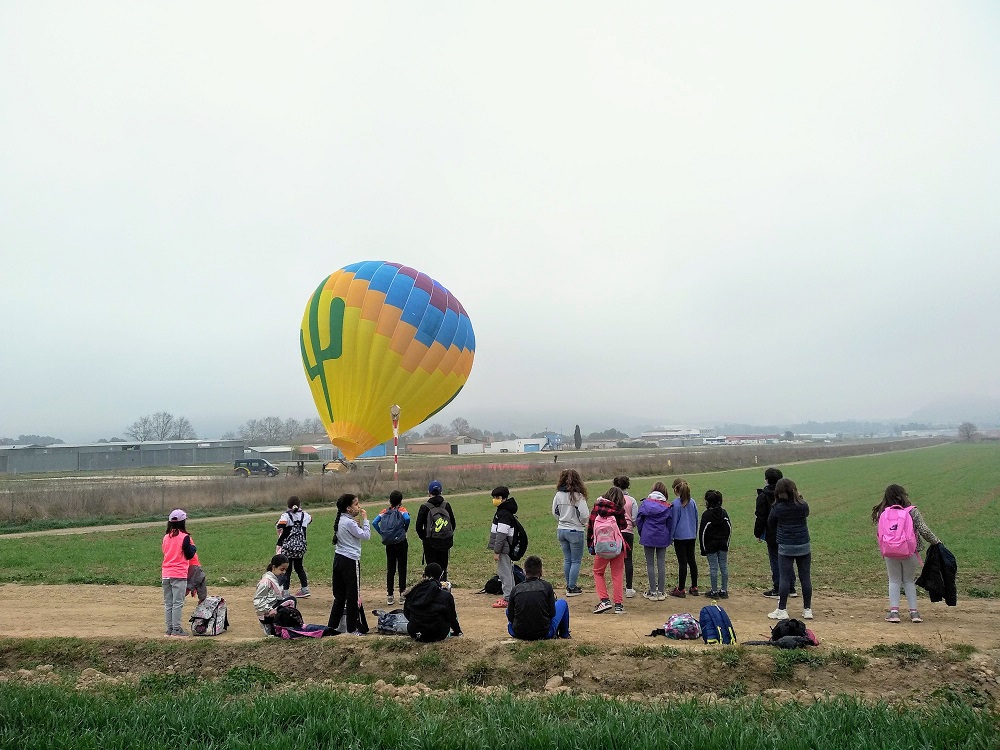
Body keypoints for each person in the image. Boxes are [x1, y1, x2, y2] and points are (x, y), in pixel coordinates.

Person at [871, 484, 940, 624]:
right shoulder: (912, 511)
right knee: (909, 581)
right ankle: (914, 613)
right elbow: (924, 530)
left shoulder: (883, 512)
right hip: (909, 552)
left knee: (894, 580)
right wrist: (936, 542)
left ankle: (894, 612)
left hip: (890, 552)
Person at [767, 478, 814, 620]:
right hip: (803, 544)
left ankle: (782, 609)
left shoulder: (777, 508)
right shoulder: (803, 505)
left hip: (785, 545)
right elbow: (806, 514)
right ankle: (807, 609)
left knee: (785, 578)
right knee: (805, 577)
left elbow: (770, 522)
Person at [327, 493, 371, 635]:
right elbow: (366, 536)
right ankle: (352, 629)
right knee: (353, 596)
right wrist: (365, 520)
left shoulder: (341, 520)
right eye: (356, 504)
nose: (359, 507)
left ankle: (332, 627)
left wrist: (357, 524)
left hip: (338, 559)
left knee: (339, 596)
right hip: (350, 561)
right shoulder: (349, 522)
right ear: (348, 508)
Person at [754, 468, 796, 599]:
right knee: (787, 559)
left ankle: (778, 588)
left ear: (766, 480)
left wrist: (757, 533)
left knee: (776, 561)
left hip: (772, 533)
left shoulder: (763, 496)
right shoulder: (789, 494)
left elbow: (760, 517)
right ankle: (791, 587)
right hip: (789, 531)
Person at [506, 555, 571, 640]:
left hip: (518, 633)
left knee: (508, 610)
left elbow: (510, 616)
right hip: (545, 633)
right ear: (541, 572)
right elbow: (552, 613)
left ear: (524, 572)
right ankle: (564, 634)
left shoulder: (515, 589)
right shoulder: (547, 586)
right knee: (562, 603)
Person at [587, 485, 628, 614]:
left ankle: (604, 600)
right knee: (617, 574)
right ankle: (618, 605)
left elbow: (590, 527)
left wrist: (591, 545)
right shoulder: (619, 511)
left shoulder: (596, 508)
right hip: (616, 546)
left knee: (598, 572)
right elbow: (624, 526)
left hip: (601, 547)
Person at [552, 468, 590, 596]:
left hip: (561, 529)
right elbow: (584, 515)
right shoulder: (578, 496)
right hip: (575, 530)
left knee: (567, 559)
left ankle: (569, 585)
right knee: (576, 561)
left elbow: (554, 512)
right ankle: (572, 587)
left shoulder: (558, 495)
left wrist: (562, 520)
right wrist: (582, 522)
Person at [402, 562, 463, 642]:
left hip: (414, 633)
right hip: (438, 635)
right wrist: (458, 632)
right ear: (441, 576)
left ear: (424, 575)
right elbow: (451, 618)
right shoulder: (446, 595)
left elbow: (406, 613)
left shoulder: (413, 592)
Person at [162, 509, 198, 637]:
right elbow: (189, 555)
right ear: (183, 522)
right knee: (177, 603)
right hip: (179, 574)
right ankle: (176, 629)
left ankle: (169, 629)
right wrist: (193, 548)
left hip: (166, 573)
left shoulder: (166, 537)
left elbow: (165, 552)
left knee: (169, 603)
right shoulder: (185, 537)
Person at [636, 482, 673, 600]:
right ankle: (661, 592)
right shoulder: (667, 506)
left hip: (648, 535)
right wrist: (668, 535)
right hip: (662, 535)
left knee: (650, 564)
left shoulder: (645, 504)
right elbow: (669, 523)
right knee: (661, 562)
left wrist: (642, 532)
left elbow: (639, 520)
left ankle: (652, 592)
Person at [372, 490, 410, 605]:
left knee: (391, 568)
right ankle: (402, 595)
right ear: (401, 501)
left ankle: (390, 595)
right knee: (402, 568)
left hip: (389, 543)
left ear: (390, 501)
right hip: (401, 542)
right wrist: (404, 529)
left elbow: (374, 522)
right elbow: (407, 518)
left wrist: (382, 533)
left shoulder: (385, 511)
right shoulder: (402, 510)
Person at [416, 480, 457, 584]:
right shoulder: (446, 505)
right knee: (443, 568)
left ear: (429, 492)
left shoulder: (425, 507)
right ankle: (443, 587)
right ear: (441, 492)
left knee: (431, 569)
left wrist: (425, 538)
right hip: (445, 541)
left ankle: (432, 587)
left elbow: (418, 527)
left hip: (430, 543)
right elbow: (453, 524)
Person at [487, 485, 519, 609]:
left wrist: (497, 551)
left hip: (504, 548)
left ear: (504, 498)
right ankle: (512, 596)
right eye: (494, 497)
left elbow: (501, 534)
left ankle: (508, 598)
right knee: (508, 571)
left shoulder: (503, 514)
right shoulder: (503, 511)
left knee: (504, 572)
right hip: (506, 547)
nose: (495, 499)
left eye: (498, 497)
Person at [275, 495, 312, 598]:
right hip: (300, 547)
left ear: (288, 505)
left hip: (288, 547)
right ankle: (305, 589)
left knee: (287, 569)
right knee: (299, 567)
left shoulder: (286, 515)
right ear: (299, 505)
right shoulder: (305, 515)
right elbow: (310, 519)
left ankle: (285, 592)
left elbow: (280, 525)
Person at [699, 490, 732, 598]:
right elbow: (729, 529)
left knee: (713, 568)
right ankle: (724, 590)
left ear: (707, 502)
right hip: (723, 544)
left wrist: (703, 549)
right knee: (724, 566)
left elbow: (702, 533)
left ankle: (714, 591)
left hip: (710, 545)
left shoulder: (706, 515)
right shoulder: (724, 513)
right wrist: (727, 543)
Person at [669, 480, 700, 597]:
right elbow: (696, 519)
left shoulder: (675, 504)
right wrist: (694, 532)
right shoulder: (693, 502)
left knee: (682, 562)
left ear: (676, 490)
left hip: (680, 537)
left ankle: (681, 588)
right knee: (692, 561)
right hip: (691, 535)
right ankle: (694, 587)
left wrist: (671, 536)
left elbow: (673, 522)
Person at [253, 553, 295, 636]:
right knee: (291, 601)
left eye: (286, 570)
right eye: (282, 569)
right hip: (267, 614)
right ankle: (275, 627)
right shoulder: (266, 581)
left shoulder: (276, 579)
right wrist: (269, 610)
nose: (284, 572)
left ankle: (281, 626)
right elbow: (258, 601)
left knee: (289, 601)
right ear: (273, 567)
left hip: (273, 609)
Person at [613, 476, 639, 598]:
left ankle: (617, 588)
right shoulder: (631, 500)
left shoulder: (612, 500)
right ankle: (629, 588)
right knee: (628, 559)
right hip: (628, 532)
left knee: (616, 561)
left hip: (615, 532)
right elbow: (635, 519)